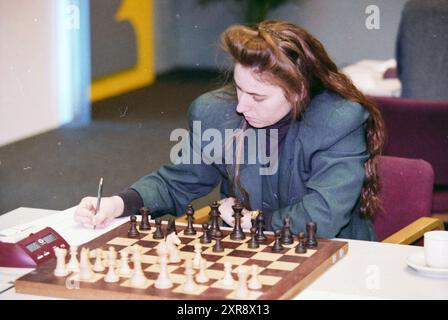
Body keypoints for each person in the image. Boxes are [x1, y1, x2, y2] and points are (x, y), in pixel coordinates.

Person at [74, 20, 385, 241]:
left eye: (257, 96)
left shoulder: (338, 120)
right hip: (250, 253)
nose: (241, 106)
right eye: (238, 88)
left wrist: (254, 222)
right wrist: (118, 203)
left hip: (334, 257)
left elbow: (323, 216)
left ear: (299, 91)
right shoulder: (214, 112)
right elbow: (176, 182)